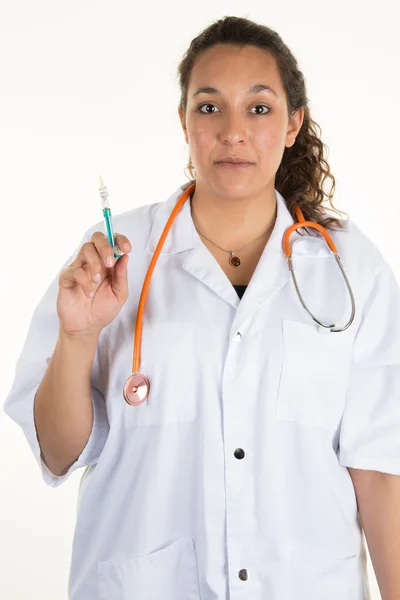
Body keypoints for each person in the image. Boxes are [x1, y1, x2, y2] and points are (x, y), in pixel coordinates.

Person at [4, 15, 400, 600]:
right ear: (185, 121)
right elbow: (59, 453)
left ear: (294, 123)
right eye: (209, 107)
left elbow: (379, 462)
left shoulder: (348, 266)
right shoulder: (118, 256)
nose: (233, 132)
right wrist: (78, 336)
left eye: (259, 109)